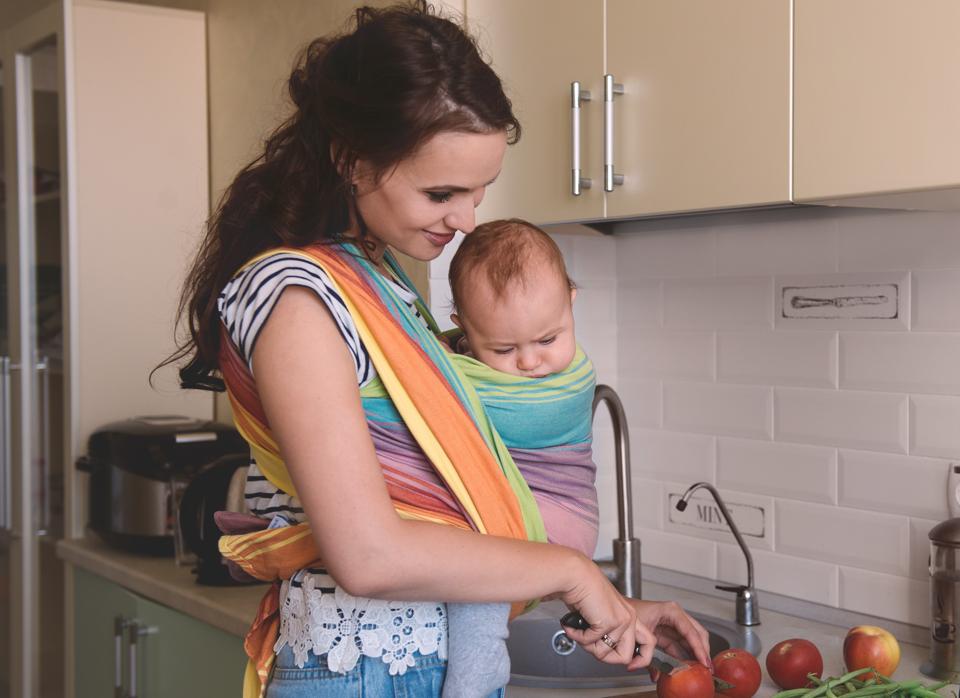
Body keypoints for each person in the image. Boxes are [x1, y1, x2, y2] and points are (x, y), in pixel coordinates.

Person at [166, 4, 710, 697]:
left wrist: (607, 601)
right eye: (442, 192)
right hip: (363, 674)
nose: (466, 219)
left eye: (478, 190)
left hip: (417, 666)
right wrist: (570, 570)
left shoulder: (379, 284)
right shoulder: (299, 297)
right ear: (351, 160)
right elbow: (368, 556)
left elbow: (444, 513)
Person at [437, 218, 598, 696]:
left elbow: (430, 393)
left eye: (548, 340)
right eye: (504, 348)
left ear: (571, 301)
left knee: (477, 576)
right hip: (530, 515)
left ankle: (479, 674)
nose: (530, 363)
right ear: (462, 327)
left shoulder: (561, 387)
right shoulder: (473, 361)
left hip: (554, 518)